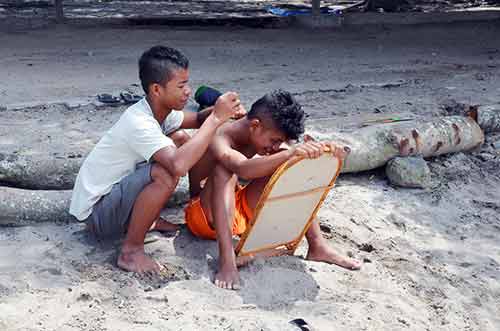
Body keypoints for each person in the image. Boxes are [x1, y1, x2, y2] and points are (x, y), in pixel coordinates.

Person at [69, 45, 242, 273]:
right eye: (181, 86)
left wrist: (221, 110)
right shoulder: (139, 122)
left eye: (187, 84)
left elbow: (198, 119)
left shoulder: (159, 111)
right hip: (98, 215)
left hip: (114, 202)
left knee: (178, 137)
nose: (188, 91)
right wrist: (217, 118)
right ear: (157, 89)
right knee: (166, 172)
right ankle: (130, 252)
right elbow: (179, 166)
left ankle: (147, 220)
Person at [185, 89, 362, 290]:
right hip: (204, 216)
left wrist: (318, 151)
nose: (276, 146)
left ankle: (317, 246)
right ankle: (227, 261)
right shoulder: (221, 135)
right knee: (223, 169)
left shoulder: (262, 129)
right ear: (255, 126)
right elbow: (242, 168)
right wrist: (289, 154)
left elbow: (290, 154)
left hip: (237, 208)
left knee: (294, 166)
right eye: (275, 140)